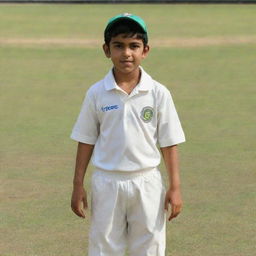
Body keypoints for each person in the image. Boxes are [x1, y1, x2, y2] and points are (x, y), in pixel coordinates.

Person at [70, 13, 185, 256]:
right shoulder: (97, 93)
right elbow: (86, 139)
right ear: (106, 49)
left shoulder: (158, 92)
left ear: (145, 50)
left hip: (147, 182)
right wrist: (77, 184)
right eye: (118, 46)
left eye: (134, 46)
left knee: (150, 247)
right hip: (107, 181)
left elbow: (169, 142)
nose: (126, 53)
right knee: (104, 248)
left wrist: (175, 187)